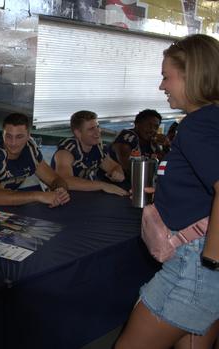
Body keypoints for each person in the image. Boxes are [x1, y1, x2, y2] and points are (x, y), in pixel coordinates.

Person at [115, 34, 219, 349]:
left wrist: (211, 261)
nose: (162, 86)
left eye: (166, 77)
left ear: (192, 77)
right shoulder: (212, 121)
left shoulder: (196, 125)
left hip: (194, 267)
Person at [0, 113, 70, 207]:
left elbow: (55, 179)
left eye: (19, 137)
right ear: (2, 135)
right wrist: (38, 196)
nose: (13, 143)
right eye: (8, 136)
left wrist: (60, 191)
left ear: (28, 136)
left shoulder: (30, 151)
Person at [51, 110, 128, 196]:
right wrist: (103, 185)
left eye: (97, 126)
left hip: (86, 197)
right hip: (62, 199)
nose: (98, 131)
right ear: (78, 133)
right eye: (91, 129)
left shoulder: (97, 147)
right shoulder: (66, 151)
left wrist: (117, 173)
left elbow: (113, 166)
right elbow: (64, 180)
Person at [109, 109, 167, 175]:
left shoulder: (151, 142)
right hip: (115, 183)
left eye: (156, 127)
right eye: (148, 125)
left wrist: (165, 146)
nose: (152, 130)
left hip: (140, 182)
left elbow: (164, 165)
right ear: (137, 124)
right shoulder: (127, 136)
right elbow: (128, 167)